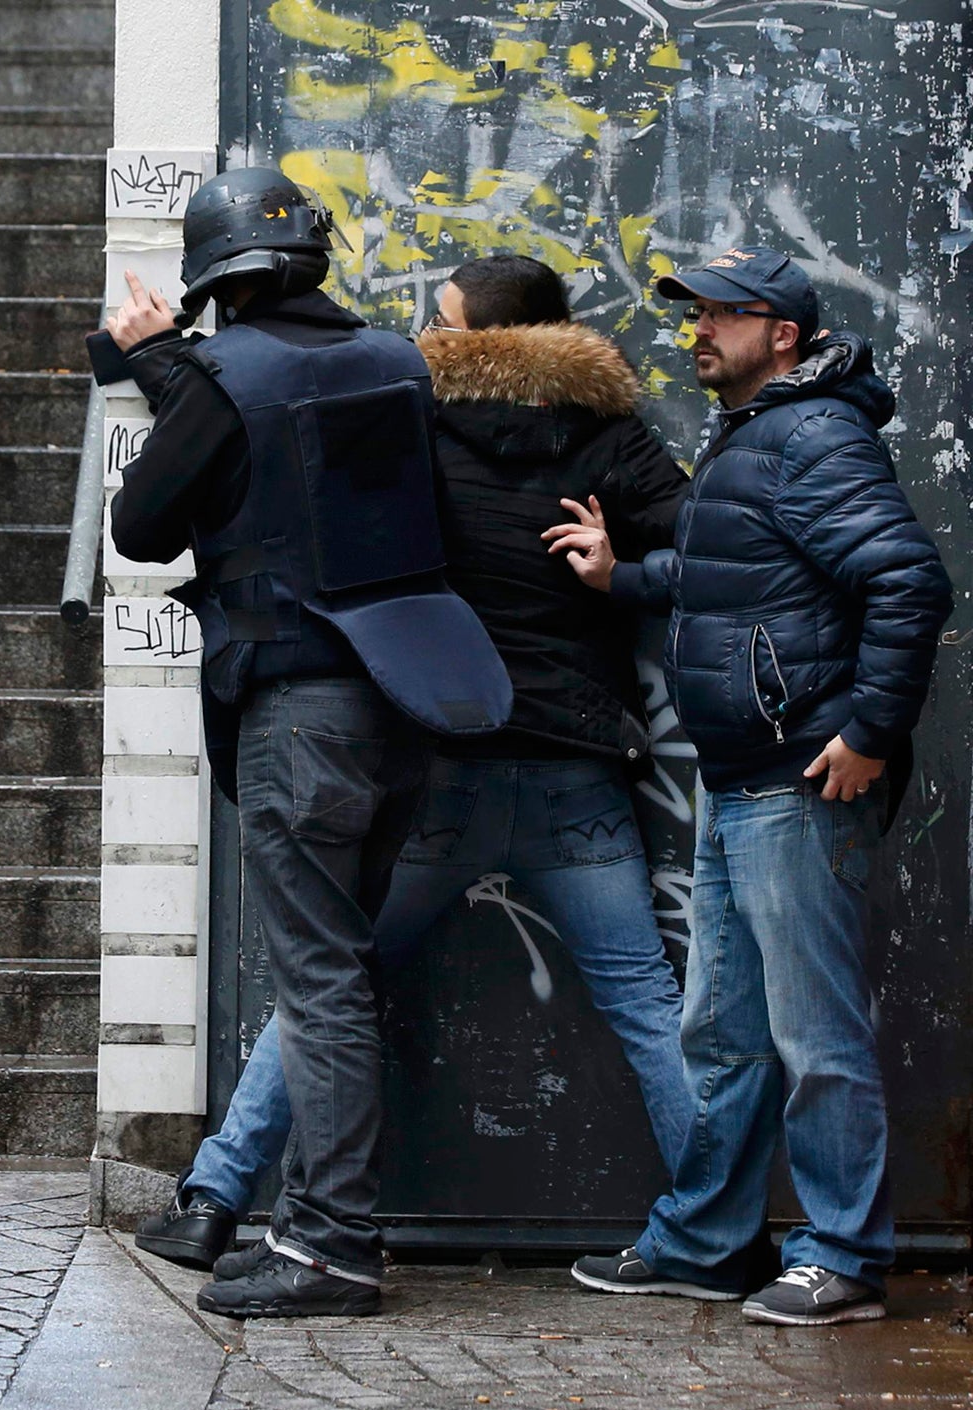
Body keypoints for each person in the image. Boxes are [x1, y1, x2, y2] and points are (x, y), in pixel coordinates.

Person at [137, 255, 697, 1275]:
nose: (420, 331)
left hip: (445, 767)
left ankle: (214, 1198)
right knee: (648, 1009)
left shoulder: (414, 432)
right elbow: (713, 546)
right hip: (576, 776)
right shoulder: (611, 439)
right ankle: (713, 1227)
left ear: (472, 338)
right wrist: (625, 573)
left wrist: (159, 366)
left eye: (437, 319)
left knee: (323, 985)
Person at [106, 168, 512, 1319]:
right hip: (405, 699)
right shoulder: (395, 358)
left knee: (321, 982)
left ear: (211, 279)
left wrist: (164, 365)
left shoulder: (221, 373)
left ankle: (330, 1246)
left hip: (299, 707)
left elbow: (141, 528)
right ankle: (315, 1230)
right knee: (338, 971)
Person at [548, 247, 952, 1325]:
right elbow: (726, 573)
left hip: (799, 781)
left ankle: (843, 1258)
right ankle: (706, 1242)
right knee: (720, 1035)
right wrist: (618, 575)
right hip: (740, 784)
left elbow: (907, 580)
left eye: (719, 315)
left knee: (811, 1036)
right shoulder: (754, 436)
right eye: (692, 314)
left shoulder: (811, 435)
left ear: (780, 332)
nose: (695, 331)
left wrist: (868, 731)